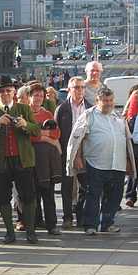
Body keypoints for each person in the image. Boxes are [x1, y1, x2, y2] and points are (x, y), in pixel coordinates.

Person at [67, 87, 136, 234]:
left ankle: (107, 223)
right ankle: (90, 225)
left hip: (117, 164)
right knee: (93, 195)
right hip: (95, 164)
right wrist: (77, 157)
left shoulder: (118, 117)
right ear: (97, 101)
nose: (108, 103)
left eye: (111, 100)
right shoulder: (89, 116)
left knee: (115, 196)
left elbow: (126, 141)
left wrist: (129, 161)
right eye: (105, 101)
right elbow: (78, 138)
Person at [0, 75, 41, 244]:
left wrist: (25, 125)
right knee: (3, 197)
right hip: (0, 162)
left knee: (28, 196)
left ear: (14, 91)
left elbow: (36, 131)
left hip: (22, 159)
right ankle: (9, 232)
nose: (5, 94)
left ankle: (30, 230)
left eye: (8, 90)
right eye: (1, 91)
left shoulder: (23, 109)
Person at [55, 76, 92, 229]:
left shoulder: (90, 108)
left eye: (82, 87)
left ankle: (81, 215)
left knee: (87, 186)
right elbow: (56, 133)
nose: (79, 90)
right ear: (69, 90)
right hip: (67, 153)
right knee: (67, 187)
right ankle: (67, 217)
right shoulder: (62, 109)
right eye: (76, 87)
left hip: (85, 153)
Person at [28, 84, 62, 235]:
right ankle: (35, 222)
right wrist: (45, 136)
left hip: (46, 160)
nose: (38, 98)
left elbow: (56, 134)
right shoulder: (24, 112)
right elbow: (27, 135)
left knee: (48, 193)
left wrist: (40, 135)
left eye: (41, 96)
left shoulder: (47, 113)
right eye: (35, 95)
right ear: (29, 96)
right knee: (31, 192)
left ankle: (52, 224)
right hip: (29, 158)